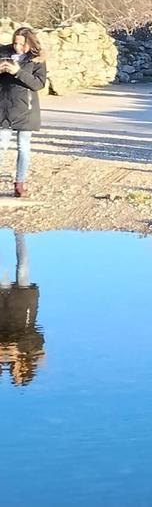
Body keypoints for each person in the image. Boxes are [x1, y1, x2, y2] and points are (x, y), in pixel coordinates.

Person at [0, 28, 49, 198]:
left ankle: (19, 184)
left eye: (22, 43)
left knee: (23, 148)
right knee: (1, 145)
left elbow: (39, 84)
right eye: (15, 43)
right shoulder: (2, 53)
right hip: (3, 106)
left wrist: (17, 72)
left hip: (26, 109)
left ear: (30, 43)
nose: (17, 47)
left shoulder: (37, 60)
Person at [0, 232, 44, 387]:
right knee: (22, 267)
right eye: (17, 374)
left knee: (18, 268)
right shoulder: (34, 352)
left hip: (5, 308)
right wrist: (17, 349)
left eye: (13, 374)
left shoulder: (5, 359)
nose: (13, 371)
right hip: (23, 304)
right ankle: (19, 232)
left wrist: (9, 348)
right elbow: (35, 335)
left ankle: (18, 231)